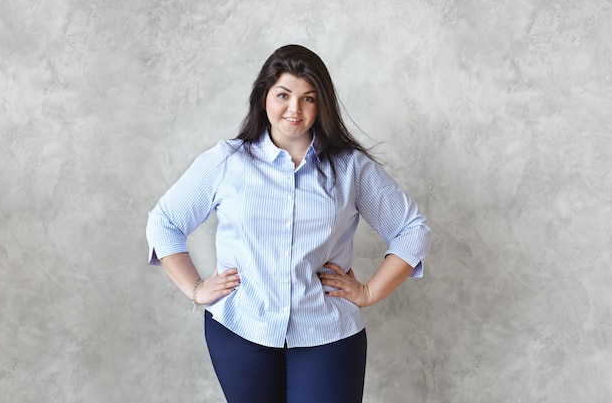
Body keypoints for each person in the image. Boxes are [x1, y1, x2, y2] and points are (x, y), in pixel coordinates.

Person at [146, 44, 431, 403]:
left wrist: (370, 292)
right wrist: (196, 288)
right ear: (264, 95)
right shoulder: (226, 161)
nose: (294, 109)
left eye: (308, 98)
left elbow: (413, 229)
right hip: (240, 332)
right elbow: (164, 222)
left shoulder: (350, 168)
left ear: (321, 104)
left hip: (327, 334)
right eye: (283, 94)